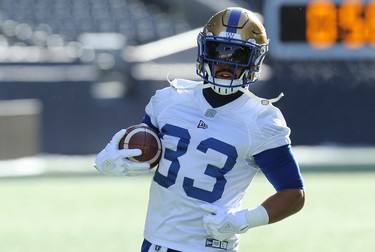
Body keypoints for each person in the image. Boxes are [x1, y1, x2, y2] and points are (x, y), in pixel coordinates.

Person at [95, 7, 305, 252]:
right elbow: (142, 147)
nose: (225, 62)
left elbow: (293, 192)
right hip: (155, 243)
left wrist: (243, 220)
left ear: (254, 59)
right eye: (219, 51)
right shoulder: (170, 99)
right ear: (204, 50)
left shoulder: (261, 120)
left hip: (210, 246)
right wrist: (112, 159)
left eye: (237, 55)